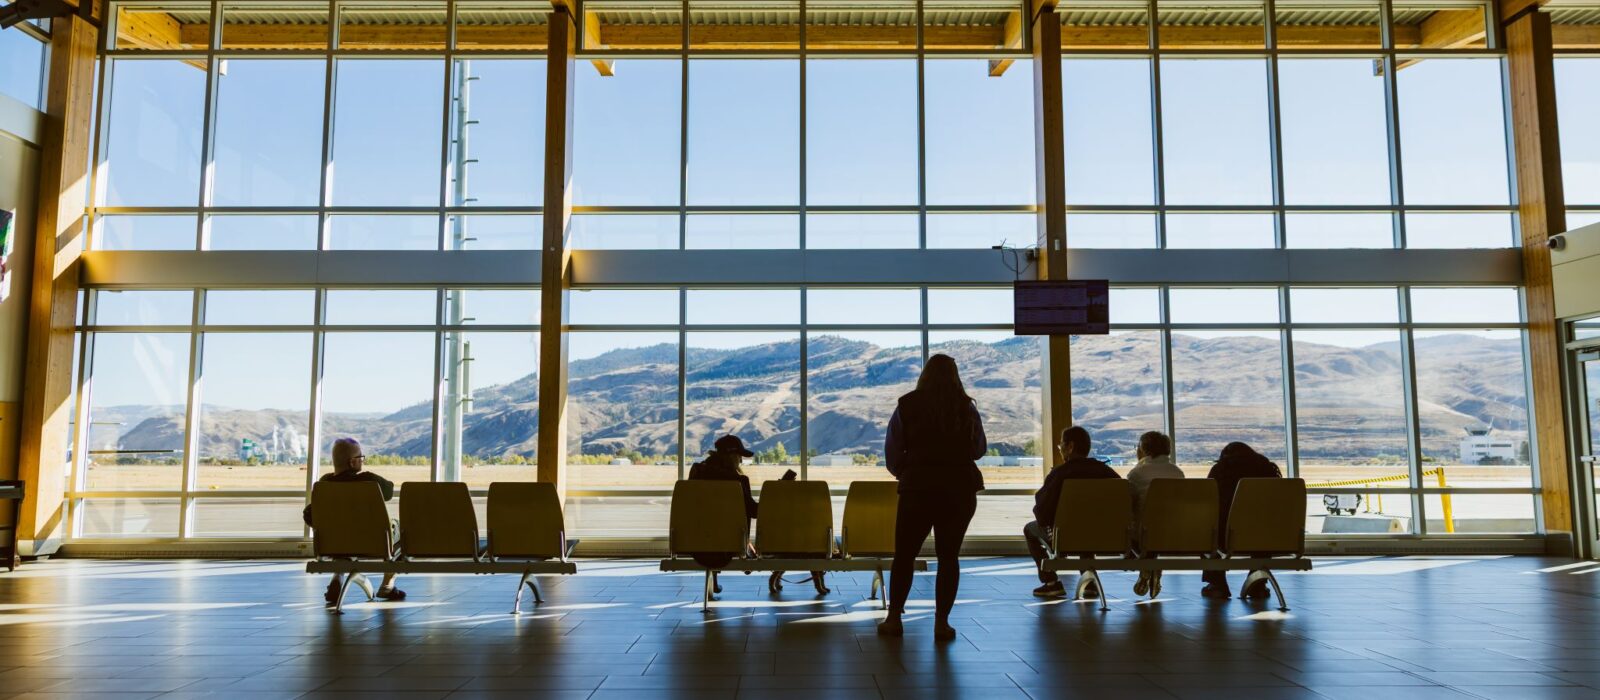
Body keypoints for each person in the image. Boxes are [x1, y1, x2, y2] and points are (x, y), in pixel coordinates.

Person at [877, 354, 987, 642]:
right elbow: (978, 449)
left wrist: (906, 472)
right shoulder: (966, 407)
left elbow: (893, 449)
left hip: (918, 488)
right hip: (959, 489)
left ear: (924, 375)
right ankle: (941, 622)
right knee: (948, 557)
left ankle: (893, 618)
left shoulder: (907, 405)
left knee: (904, 555)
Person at [303, 438, 406, 605]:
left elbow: (310, 514)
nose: (362, 461)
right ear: (352, 462)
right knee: (402, 529)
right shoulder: (370, 481)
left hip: (336, 543)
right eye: (360, 457)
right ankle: (387, 584)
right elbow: (389, 491)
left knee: (342, 536)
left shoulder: (324, 484)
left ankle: (338, 575)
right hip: (372, 541)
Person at [1023, 426, 1120, 600]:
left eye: (1061, 444)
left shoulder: (1060, 474)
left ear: (1070, 446)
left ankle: (1051, 582)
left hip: (1065, 537)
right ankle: (1089, 582)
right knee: (1088, 525)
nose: (1059, 448)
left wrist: (1048, 526)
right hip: (1102, 536)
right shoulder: (1107, 472)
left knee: (1030, 529)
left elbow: (1042, 510)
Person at [1202, 441, 1283, 600]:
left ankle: (1217, 584)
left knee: (1212, 531)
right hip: (1266, 538)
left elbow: (1209, 503)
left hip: (1227, 538)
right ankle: (1258, 583)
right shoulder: (1268, 470)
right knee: (1262, 526)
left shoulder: (1220, 471)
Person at [1125, 431, 1182, 598]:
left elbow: (1128, 504)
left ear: (1143, 450)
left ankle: (1147, 566)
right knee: (1158, 524)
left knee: (1141, 528)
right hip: (1173, 534)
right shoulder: (1177, 473)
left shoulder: (1137, 474)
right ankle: (1151, 565)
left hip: (1144, 535)